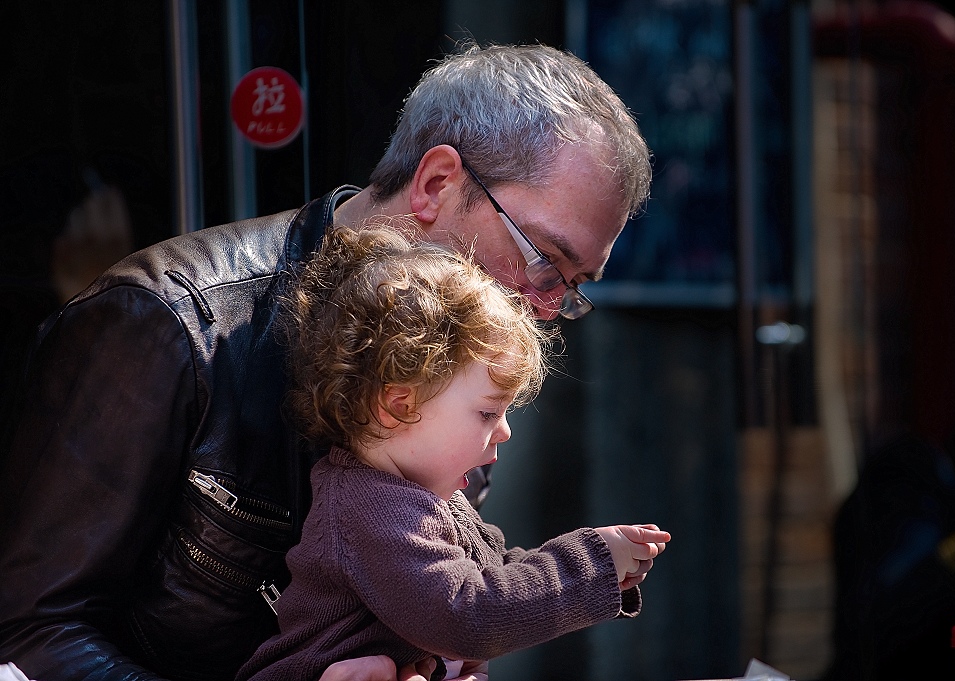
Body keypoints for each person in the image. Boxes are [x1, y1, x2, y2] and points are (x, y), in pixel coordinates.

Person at [0, 43, 652, 681]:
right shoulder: (167, 320)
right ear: (436, 184)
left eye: (570, 287)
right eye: (544, 261)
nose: (543, 307)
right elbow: (28, 634)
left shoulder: (456, 362)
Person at [235, 226, 669, 681]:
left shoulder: (424, 493)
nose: (504, 431)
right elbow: (466, 615)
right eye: (486, 413)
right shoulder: (368, 507)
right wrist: (588, 564)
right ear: (397, 407)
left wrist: (605, 574)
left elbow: (490, 573)